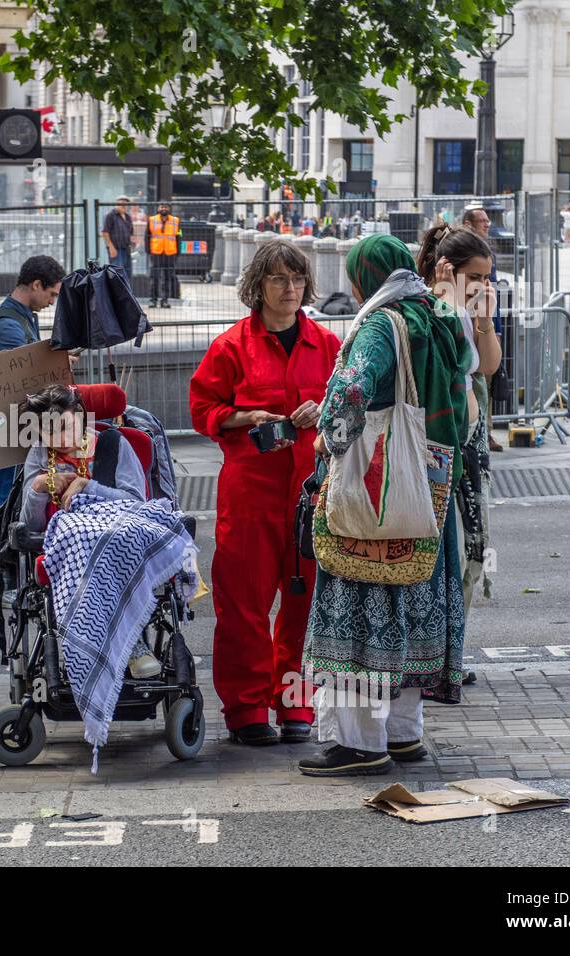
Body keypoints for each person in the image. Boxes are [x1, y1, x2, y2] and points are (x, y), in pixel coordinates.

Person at [297, 233, 472, 776]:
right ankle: (403, 733)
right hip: (429, 488)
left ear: (364, 277)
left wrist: (327, 439)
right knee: (414, 601)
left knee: (361, 604)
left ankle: (358, 742)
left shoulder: (380, 324)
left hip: (378, 490)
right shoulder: (438, 317)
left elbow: (351, 391)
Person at [190, 239, 341, 745]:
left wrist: (324, 411)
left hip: (310, 494)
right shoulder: (231, 346)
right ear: (257, 285)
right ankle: (248, 708)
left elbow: (350, 409)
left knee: (304, 606)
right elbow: (202, 409)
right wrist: (245, 415)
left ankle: (295, 704)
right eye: (279, 279)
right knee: (243, 607)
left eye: (298, 280)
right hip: (250, 495)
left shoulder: (327, 344)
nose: (291, 289)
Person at [18, 384, 161, 679]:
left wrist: (88, 486)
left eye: (64, 427)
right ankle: (88, 643)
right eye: (48, 432)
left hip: (113, 536)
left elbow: (136, 503)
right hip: (62, 543)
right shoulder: (40, 455)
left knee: (105, 550)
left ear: (80, 415)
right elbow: (29, 525)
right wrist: (37, 488)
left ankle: (127, 642)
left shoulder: (114, 444)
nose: (59, 438)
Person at [417, 224, 502, 622]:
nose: (482, 285)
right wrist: (447, 300)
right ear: (448, 270)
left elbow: (487, 366)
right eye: (475, 277)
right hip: (439, 448)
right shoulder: (431, 310)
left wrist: (484, 320)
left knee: (470, 544)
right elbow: (444, 364)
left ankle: (453, 645)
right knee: (443, 548)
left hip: (469, 446)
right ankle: (436, 650)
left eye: (487, 277)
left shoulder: (468, 312)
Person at [0, 254, 65, 605]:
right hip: (12, 429)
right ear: (35, 285)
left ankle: (7, 581)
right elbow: (18, 379)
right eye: (52, 293)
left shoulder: (21, 318)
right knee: (7, 504)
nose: (52, 301)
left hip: (21, 425)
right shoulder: (7, 325)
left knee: (15, 501)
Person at [460, 205, 505, 452]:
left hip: (483, 326)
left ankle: (485, 432)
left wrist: (491, 325)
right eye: (482, 221)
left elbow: (492, 294)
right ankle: (482, 433)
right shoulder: (445, 313)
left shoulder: (486, 253)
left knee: (484, 385)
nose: (487, 225)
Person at [146, 201, 180, 308]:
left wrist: (178, 251)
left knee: (167, 278)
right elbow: (147, 236)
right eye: (161, 207)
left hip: (170, 253)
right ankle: (153, 300)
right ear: (158, 208)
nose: (163, 209)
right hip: (156, 252)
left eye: (165, 207)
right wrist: (148, 250)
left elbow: (179, 236)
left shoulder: (175, 221)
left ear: (169, 209)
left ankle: (165, 300)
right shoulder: (152, 220)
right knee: (154, 277)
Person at [100, 196, 134, 276]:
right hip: (116, 250)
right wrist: (111, 248)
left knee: (127, 274)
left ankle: (126, 289)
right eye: (121, 203)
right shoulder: (110, 215)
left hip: (126, 249)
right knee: (117, 274)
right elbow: (105, 232)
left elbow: (130, 232)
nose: (123, 205)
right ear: (116, 204)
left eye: (125, 203)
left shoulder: (128, 217)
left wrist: (131, 242)